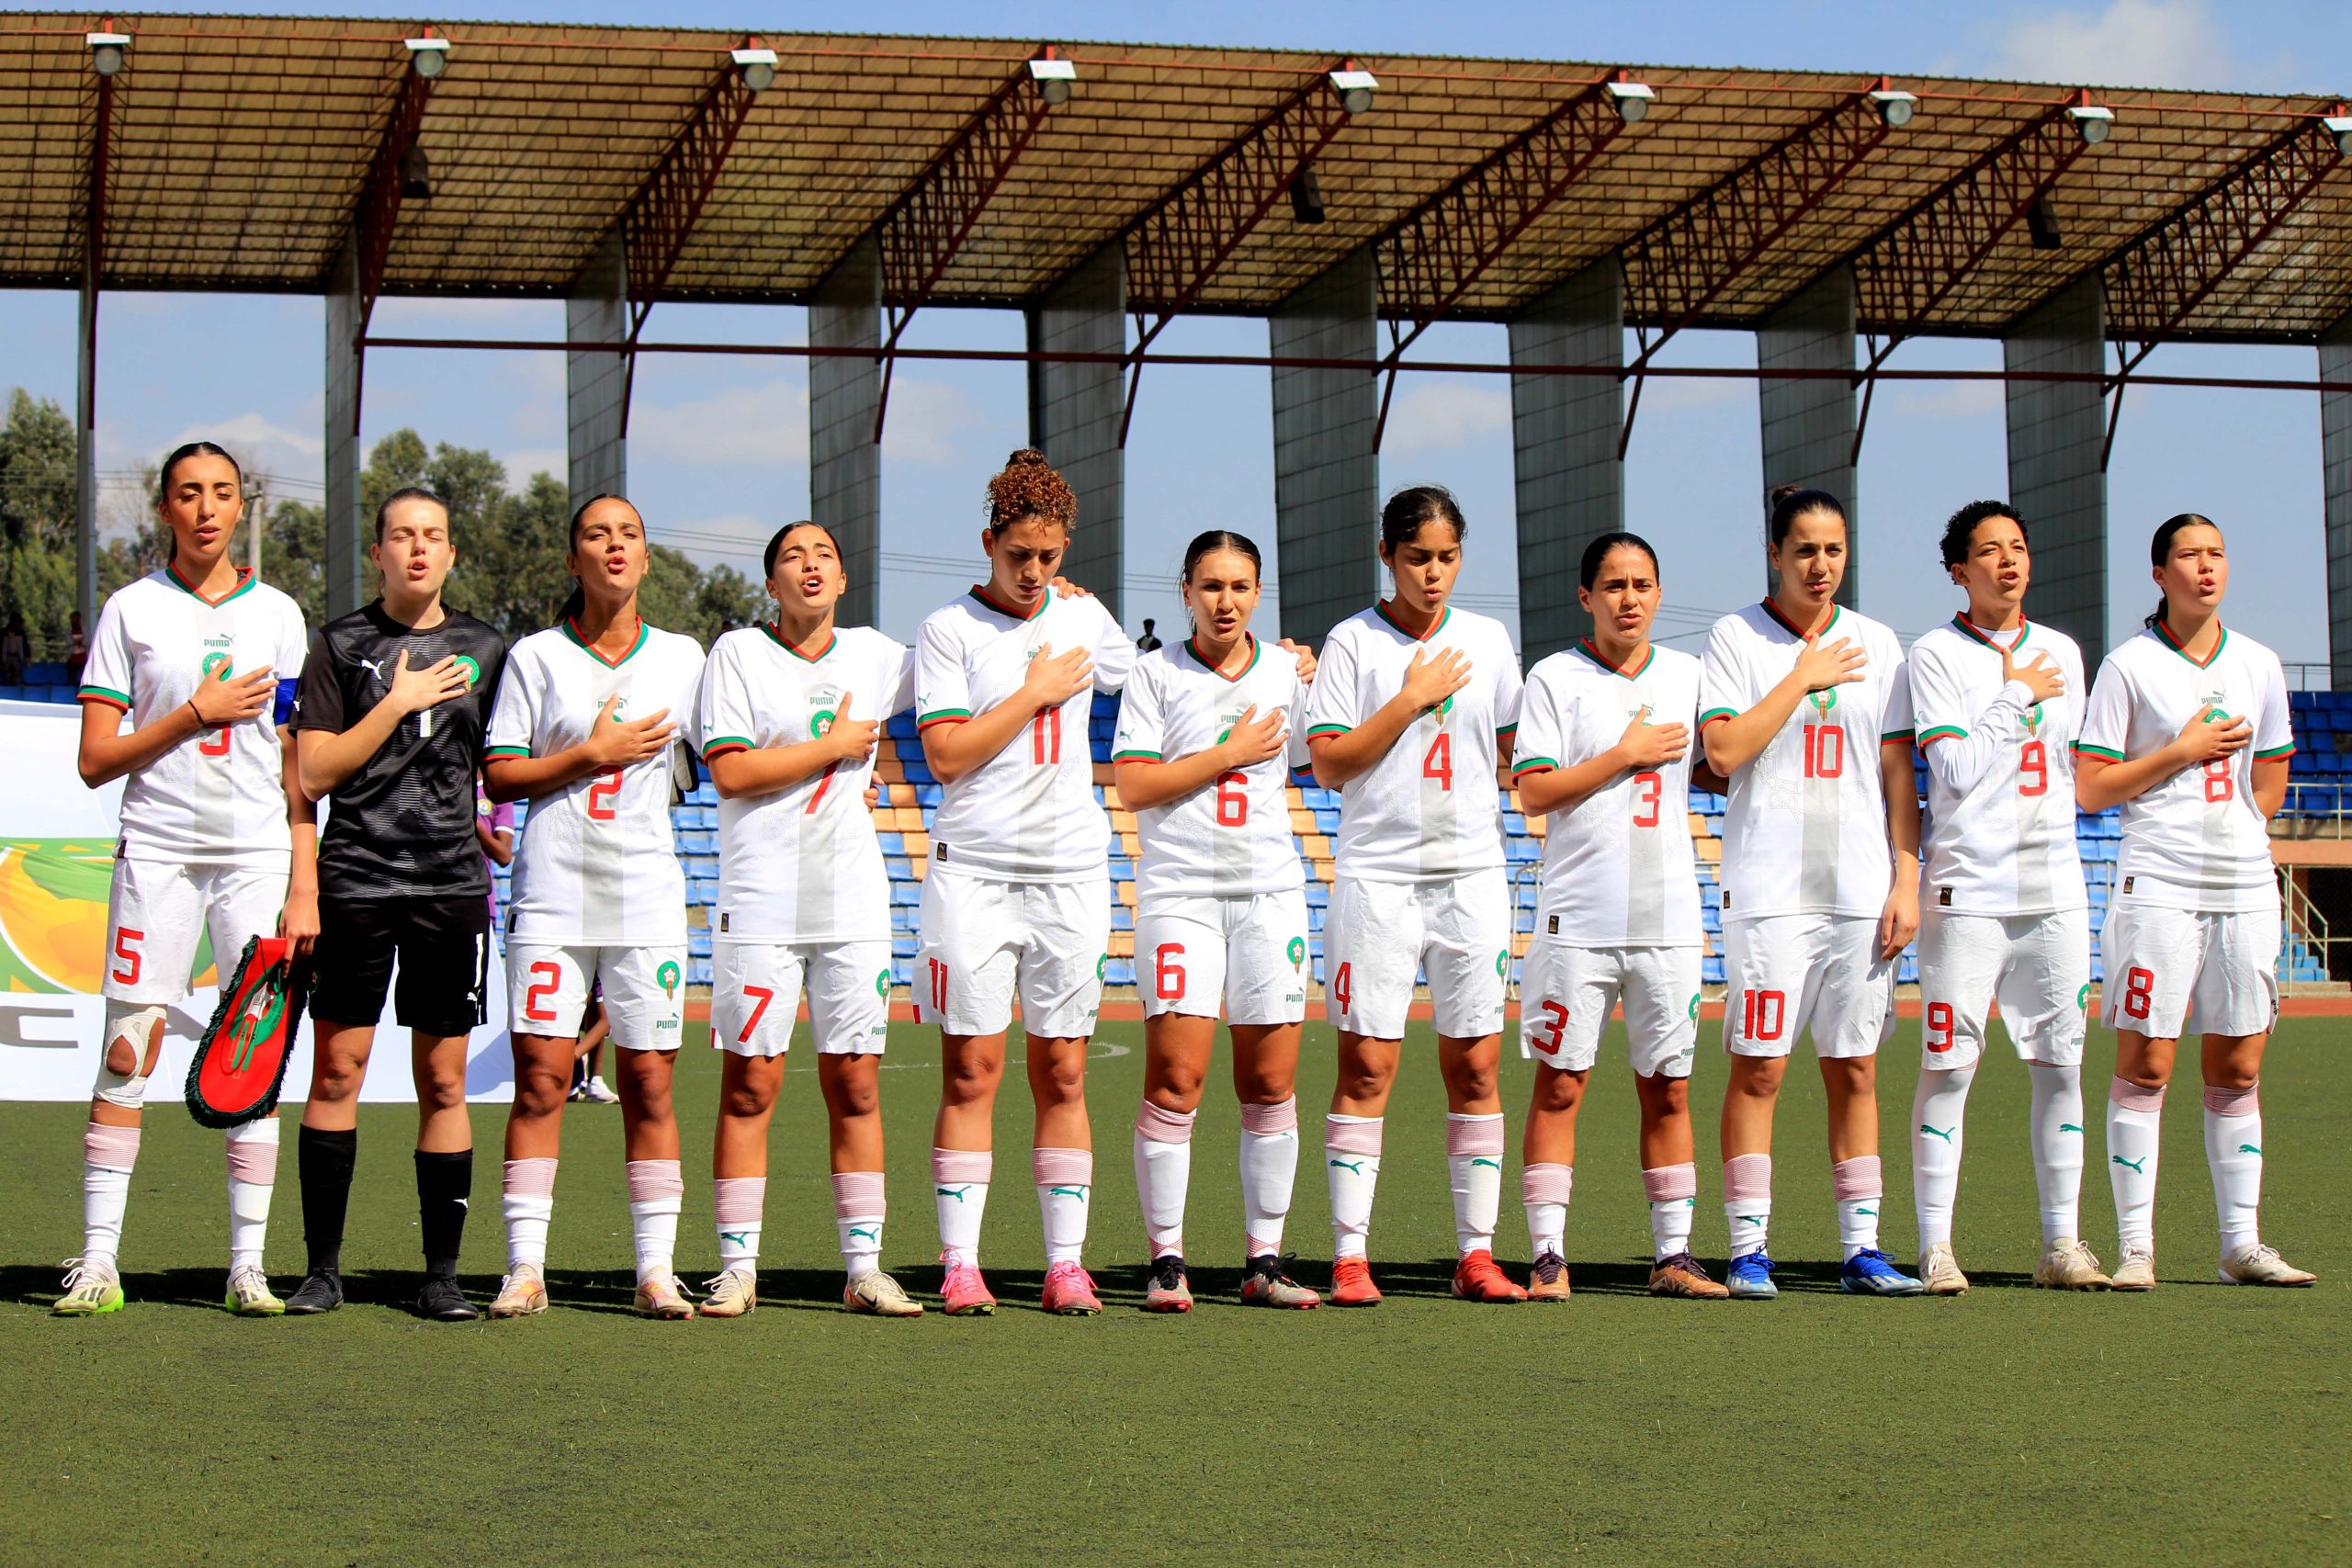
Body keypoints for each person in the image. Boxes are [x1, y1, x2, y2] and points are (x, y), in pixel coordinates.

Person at [54, 441, 317, 1317]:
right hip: (158, 851)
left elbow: (294, 760)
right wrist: (194, 713)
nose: (206, 508)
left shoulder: (279, 614)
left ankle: (248, 1267)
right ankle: (99, 1262)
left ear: (243, 505)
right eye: (189, 493)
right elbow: (95, 760)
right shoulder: (130, 610)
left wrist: (305, 876)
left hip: (256, 856)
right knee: (128, 1048)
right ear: (163, 507)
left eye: (222, 492)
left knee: (254, 1057)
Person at [913, 448, 1136, 1315]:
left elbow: (1169, 675)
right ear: (988, 543)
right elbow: (946, 754)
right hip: (974, 870)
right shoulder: (949, 629)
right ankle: (960, 1262)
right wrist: (1035, 689)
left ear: (1065, 548)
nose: (1034, 571)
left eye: (1048, 555)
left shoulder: (1086, 616)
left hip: (1070, 872)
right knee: (972, 1068)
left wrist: (1281, 663)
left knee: (1064, 1069)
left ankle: (1065, 1264)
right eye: (1018, 554)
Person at [281, 486, 508, 1321]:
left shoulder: (487, 647)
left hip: (450, 885)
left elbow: (503, 764)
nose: (418, 548)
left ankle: (442, 1275)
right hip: (355, 880)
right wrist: (398, 701)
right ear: (376, 552)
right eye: (403, 536)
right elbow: (313, 773)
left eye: (433, 535)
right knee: (336, 1069)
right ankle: (321, 1271)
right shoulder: (340, 642)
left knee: (443, 1080)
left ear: (451, 553)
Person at [481, 494, 707, 1318]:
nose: (614, 546)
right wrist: (591, 753)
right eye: (596, 535)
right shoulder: (536, 656)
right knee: (541, 1081)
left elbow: (739, 734)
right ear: (573, 559)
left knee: (648, 1083)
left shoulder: (685, 657)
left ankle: (655, 1271)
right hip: (552, 894)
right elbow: (500, 772)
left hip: (646, 895)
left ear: (646, 557)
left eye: (629, 535)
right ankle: (525, 1269)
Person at [2075, 513, 2312, 1290]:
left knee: (2239, 1066)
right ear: (2159, 574)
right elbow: (2092, 787)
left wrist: (2236, 831)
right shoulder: (2128, 665)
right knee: (2147, 1062)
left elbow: (2270, 781)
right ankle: (2136, 1248)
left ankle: (2241, 1243)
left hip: (2243, 884)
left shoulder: (2259, 662)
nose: (2205, 567)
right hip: (2159, 884)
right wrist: (2181, 751)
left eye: (2216, 553)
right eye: (2188, 555)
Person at [1305, 484, 1527, 1307]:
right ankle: (1350, 1255)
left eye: (1447, 557)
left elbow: (1516, 749)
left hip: (1472, 876)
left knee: (1476, 1063)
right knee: (1368, 1063)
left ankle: (1477, 1253)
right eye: (1416, 558)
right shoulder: (1353, 642)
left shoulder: (1488, 640)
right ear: (1386, 556)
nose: (1433, 574)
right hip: (1380, 876)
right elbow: (1328, 762)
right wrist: (1408, 698)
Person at [1697, 485, 1922, 1299]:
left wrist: (1906, 875)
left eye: (1833, 549)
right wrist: (1803, 676)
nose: (1820, 565)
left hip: (1859, 891)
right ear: (1775, 555)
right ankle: (1748, 1247)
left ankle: (1862, 1248)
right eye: (1804, 551)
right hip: (1770, 892)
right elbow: (1723, 751)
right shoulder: (1736, 636)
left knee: (1855, 1068)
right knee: (1760, 1068)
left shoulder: (1879, 642)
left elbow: (1896, 771)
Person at [695, 519, 922, 1319]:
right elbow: (731, 771)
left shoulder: (878, 655)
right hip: (760, 899)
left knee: (855, 1082)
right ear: (772, 583)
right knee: (750, 1082)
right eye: (793, 555)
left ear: (844, 577)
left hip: (852, 902)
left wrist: (1047, 592)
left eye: (825, 552)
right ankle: (737, 1268)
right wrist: (834, 746)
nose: (811, 564)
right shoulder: (737, 653)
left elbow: (973, 658)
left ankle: (864, 1268)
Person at [1510, 532, 1728, 1302]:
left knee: (1669, 1088)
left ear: (1659, 594)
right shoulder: (1554, 677)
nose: (1628, 598)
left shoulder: (1690, 675)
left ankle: (1674, 1255)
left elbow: (1723, 761)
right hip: (1579, 917)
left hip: (1668, 916)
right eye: (1613, 585)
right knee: (1561, 1083)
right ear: (1586, 597)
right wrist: (1625, 752)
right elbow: (1533, 791)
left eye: (1641, 584)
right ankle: (1547, 1255)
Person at [1113, 529, 1322, 1312]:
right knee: (1177, 1081)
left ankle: (1264, 1259)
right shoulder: (1154, 674)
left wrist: (1315, 672)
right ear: (1185, 592)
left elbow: (1322, 759)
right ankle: (1167, 1258)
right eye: (1210, 586)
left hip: (1269, 894)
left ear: (1259, 593)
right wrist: (1228, 752)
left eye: (1239, 586)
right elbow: (1134, 786)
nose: (1225, 601)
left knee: (1270, 1082)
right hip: (1181, 895)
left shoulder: (1287, 673)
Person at [1905, 502, 2109, 1294]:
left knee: (2061, 1067)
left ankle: (2062, 1243)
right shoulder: (1934, 654)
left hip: (2054, 887)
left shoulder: (2064, 651)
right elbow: (1954, 772)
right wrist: (2015, 693)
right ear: (1960, 570)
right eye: (1989, 550)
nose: (2008, 560)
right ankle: (1936, 1246)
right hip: (1968, 890)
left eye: (2017, 546)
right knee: (1950, 1066)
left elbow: (2069, 769)